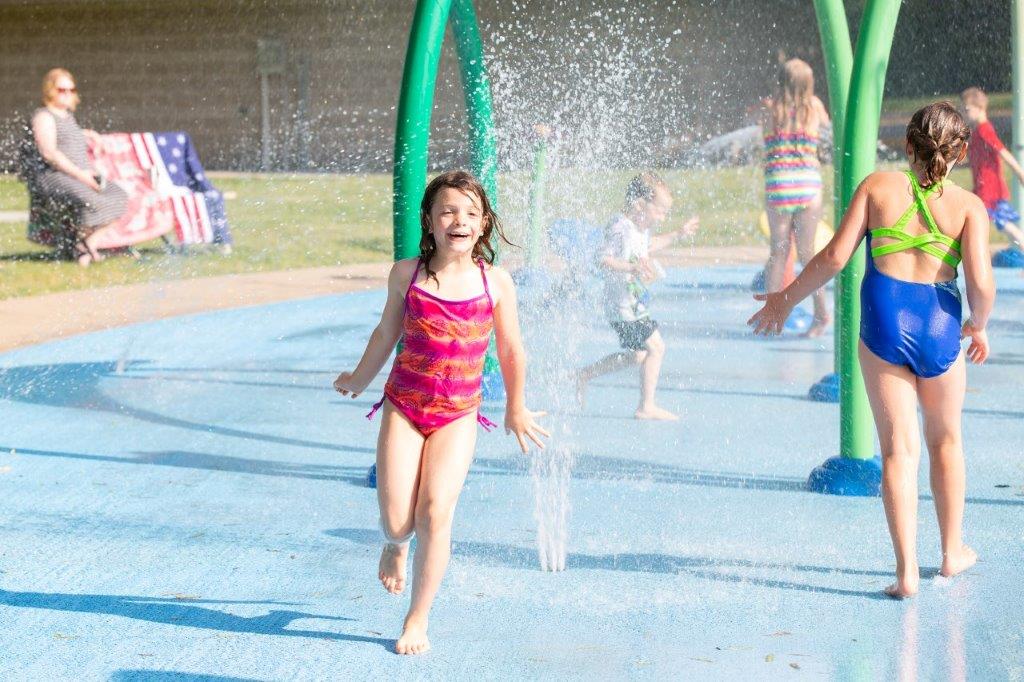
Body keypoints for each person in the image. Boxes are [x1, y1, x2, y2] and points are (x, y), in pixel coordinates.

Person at [749, 102, 995, 599]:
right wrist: (979, 325)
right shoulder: (968, 206)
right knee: (946, 442)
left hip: (885, 316)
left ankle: (905, 574)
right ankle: (951, 554)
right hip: (941, 320)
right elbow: (982, 284)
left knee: (896, 453)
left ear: (907, 146)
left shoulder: (877, 187)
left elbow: (835, 256)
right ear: (963, 152)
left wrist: (785, 298)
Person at [332, 170, 549, 654]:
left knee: (435, 511)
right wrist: (358, 379)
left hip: (458, 414)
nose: (460, 220)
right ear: (429, 221)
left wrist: (516, 406)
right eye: (448, 210)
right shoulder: (406, 274)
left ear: (485, 224)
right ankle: (394, 544)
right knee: (397, 518)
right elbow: (386, 332)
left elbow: (512, 349)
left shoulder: (495, 282)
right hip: (405, 405)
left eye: (472, 213)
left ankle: (417, 618)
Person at [576, 172, 699, 420]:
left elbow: (649, 247)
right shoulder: (620, 227)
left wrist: (678, 234)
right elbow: (602, 260)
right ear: (640, 204)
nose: (663, 216)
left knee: (638, 355)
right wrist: (631, 267)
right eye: (660, 210)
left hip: (633, 304)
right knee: (656, 347)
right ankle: (646, 406)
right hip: (623, 305)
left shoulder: (640, 230)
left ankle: (584, 374)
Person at [761, 58, 832, 337]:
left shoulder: (771, 108)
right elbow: (826, 129)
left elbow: (762, 133)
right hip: (808, 184)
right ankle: (820, 315)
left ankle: (770, 316)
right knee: (808, 255)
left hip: (779, 184)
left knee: (778, 253)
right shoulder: (814, 107)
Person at [28, 68, 127, 266]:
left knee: (119, 197)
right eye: (61, 90)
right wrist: (82, 176)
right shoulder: (43, 116)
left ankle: (86, 244)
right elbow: (49, 153)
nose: (67, 94)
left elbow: (67, 136)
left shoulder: (67, 116)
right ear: (50, 90)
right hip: (55, 176)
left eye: (71, 90)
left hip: (80, 175)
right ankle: (78, 247)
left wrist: (87, 134)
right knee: (90, 200)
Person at [960, 86, 1024, 252]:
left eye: (967, 109)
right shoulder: (978, 131)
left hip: (989, 187)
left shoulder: (984, 130)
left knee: (984, 220)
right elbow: (976, 159)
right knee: (998, 222)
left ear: (980, 108)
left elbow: (1002, 151)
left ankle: (970, 252)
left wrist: (1020, 172)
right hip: (983, 185)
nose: (964, 113)